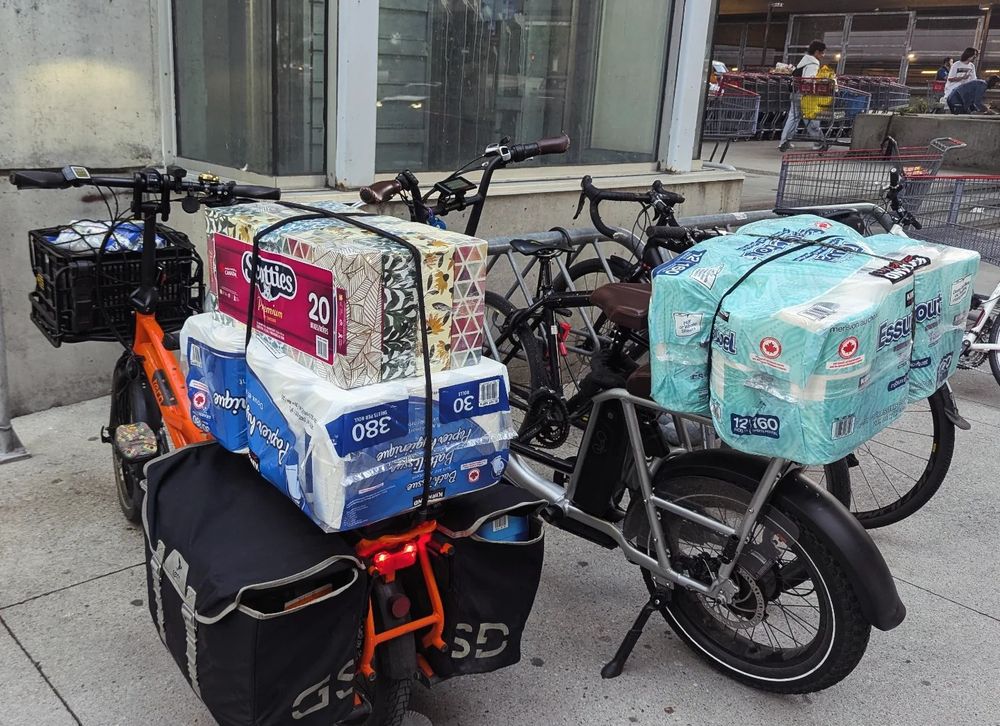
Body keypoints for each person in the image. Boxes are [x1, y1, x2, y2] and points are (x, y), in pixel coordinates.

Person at [779, 40, 827, 152]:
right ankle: (818, 142)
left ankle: (784, 141)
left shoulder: (804, 61)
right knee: (811, 118)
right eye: (822, 53)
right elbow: (808, 79)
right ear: (816, 52)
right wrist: (821, 81)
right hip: (805, 95)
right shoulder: (813, 63)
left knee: (793, 117)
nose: (823, 56)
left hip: (795, 93)